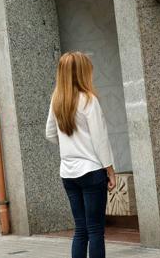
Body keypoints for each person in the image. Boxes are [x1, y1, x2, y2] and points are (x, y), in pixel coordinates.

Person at [46, 52, 116, 258]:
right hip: (91, 171)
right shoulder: (88, 100)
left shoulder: (56, 100)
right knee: (95, 230)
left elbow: (49, 133)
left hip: (68, 173)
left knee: (81, 230)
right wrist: (110, 170)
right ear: (82, 73)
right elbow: (100, 139)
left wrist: (70, 146)